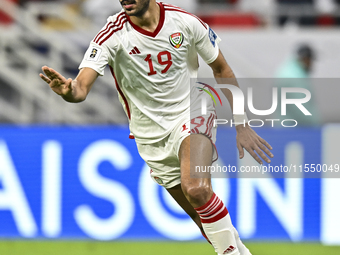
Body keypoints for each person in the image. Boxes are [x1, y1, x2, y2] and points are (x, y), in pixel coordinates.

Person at [39, 1, 273, 254]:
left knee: (196, 189)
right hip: (150, 136)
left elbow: (221, 68)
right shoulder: (111, 35)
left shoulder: (185, 22)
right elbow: (81, 88)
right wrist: (68, 92)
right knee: (200, 216)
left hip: (193, 112)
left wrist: (241, 123)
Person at [276, 44, 320, 126]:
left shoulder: (286, 71)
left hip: (283, 126)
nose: (312, 64)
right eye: (310, 60)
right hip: (295, 130)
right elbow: (301, 108)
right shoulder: (294, 78)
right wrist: (315, 125)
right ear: (305, 59)